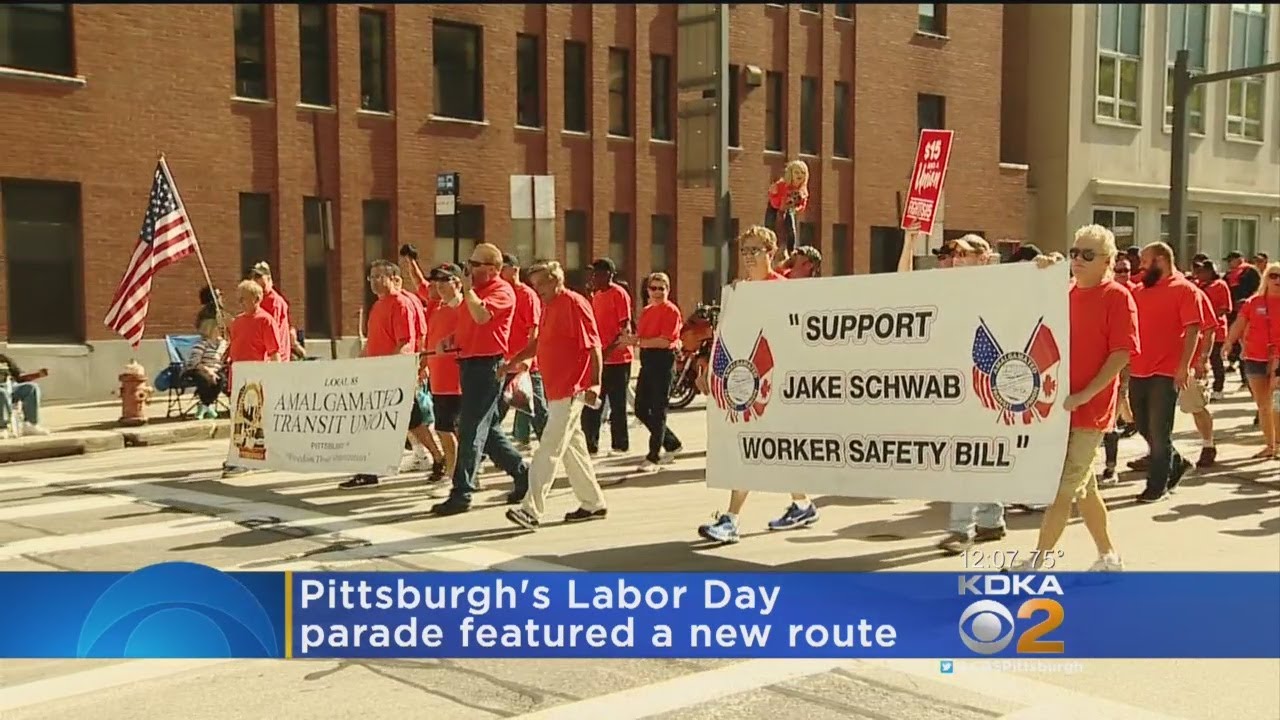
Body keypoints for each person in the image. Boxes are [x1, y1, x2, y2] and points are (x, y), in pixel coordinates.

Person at [1013, 224, 1135, 572]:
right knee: (1084, 486)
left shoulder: (1117, 296)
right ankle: (1109, 555)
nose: (1077, 260)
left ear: (1107, 261)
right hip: (1058, 407)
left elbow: (1121, 353)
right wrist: (1043, 271)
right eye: (1074, 252)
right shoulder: (1063, 291)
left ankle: (1037, 561)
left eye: (1087, 254)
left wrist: (1085, 394)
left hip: (1090, 410)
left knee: (1063, 487)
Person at [698, 226, 815, 544]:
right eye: (745, 251)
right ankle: (803, 504)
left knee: (755, 448)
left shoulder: (783, 290)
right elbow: (729, 335)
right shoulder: (740, 291)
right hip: (747, 383)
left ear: (772, 253)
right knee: (767, 450)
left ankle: (731, 520)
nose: (748, 257)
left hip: (775, 385)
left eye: (755, 251)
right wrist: (708, 369)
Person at [503, 260, 608, 530]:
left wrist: (595, 383)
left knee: (549, 447)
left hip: (571, 389)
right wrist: (513, 361)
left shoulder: (574, 303)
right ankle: (593, 503)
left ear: (555, 279)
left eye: (541, 284)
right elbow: (540, 342)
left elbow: (594, 344)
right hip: (556, 389)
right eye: (534, 285)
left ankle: (531, 510)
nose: (537, 290)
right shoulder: (549, 306)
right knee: (573, 449)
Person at [430, 243, 530, 516]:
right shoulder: (474, 293)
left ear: (494, 268)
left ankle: (462, 491)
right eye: (469, 264)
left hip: (487, 366)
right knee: (488, 429)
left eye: (475, 265)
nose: (469, 269)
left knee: (471, 429)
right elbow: (468, 326)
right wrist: (450, 340)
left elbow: (482, 316)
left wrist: (468, 290)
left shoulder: (501, 290)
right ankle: (522, 473)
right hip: (469, 363)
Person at [338, 261, 441, 489]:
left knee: (413, 422)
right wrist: (359, 362)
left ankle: (439, 458)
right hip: (376, 374)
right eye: (371, 277)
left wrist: (391, 368)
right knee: (381, 422)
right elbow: (373, 342)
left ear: (393, 277)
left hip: (393, 375)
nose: (373, 282)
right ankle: (371, 469)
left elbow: (406, 342)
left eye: (378, 277)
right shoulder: (378, 306)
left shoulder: (400, 304)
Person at [1129, 242, 1200, 502]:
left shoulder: (1184, 290)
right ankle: (1177, 461)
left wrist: (1185, 366)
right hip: (1139, 369)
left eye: (1145, 261)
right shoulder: (1138, 291)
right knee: (1142, 425)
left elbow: (1193, 329)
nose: (1141, 267)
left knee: (1160, 431)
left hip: (1166, 371)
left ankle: (1156, 486)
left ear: (1160, 260)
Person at [622, 272, 685, 473]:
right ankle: (671, 442)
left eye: (661, 288)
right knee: (640, 407)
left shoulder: (671, 311)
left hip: (663, 361)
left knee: (658, 409)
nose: (657, 292)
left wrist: (638, 342)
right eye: (654, 288)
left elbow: (665, 341)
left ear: (668, 290)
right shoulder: (647, 311)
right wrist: (630, 339)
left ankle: (653, 456)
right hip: (647, 362)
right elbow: (642, 335)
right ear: (648, 290)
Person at [222, 280, 283, 478]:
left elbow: (274, 352)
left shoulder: (266, 321)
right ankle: (238, 454)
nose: (240, 303)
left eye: (243, 299)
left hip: (257, 377)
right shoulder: (238, 321)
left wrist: (277, 377)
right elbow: (234, 344)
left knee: (252, 419)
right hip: (238, 375)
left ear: (256, 299)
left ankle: (247, 457)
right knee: (237, 418)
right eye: (238, 299)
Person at [1222, 261, 1280, 459]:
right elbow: (1239, 324)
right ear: (1266, 278)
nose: (1278, 280)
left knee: (1276, 401)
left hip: (1278, 359)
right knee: (1263, 404)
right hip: (1255, 357)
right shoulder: (1253, 303)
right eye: (1273, 276)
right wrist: (1229, 343)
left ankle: (1278, 443)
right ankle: (1270, 446)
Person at [392, 270, 446, 479]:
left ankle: (439, 458)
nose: (430, 288)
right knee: (409, 420)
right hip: (396, 370)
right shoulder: (430, 303)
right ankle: (424, 454)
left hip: (406, 369)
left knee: (416, 419)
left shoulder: (406, 303)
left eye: (436, 284)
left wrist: (421, 365)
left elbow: (419, 337)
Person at [581, 258, 633, 457]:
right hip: (599, 359)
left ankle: (620, 445)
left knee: (617, 404)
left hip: (618, 359)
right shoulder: (596, 296)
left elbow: (624, 329)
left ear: (609, 275)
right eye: (592, 274)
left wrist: (607, 352)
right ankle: (590, 445)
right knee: (592, 402)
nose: (593, 278)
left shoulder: (619, 294)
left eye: (597, 274)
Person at [498, 253, 549, 446]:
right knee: (494, 413)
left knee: (538, 411)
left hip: (524, 365)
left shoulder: (527, 295)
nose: (500, 273)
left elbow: (534, 329)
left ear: (515, 269)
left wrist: (527, 360)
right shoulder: (502, 294)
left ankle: (552, 449)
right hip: (504, 364)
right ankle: (483, 454)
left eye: (503, 268)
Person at [424, 263, 466, 489]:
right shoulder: (439, 310)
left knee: (450, 429)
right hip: (439, 380)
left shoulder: (465, 309)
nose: (438, 285)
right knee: (443, 428)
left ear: (458, 283)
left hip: (456, 380)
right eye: (436, 281)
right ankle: (456, 471)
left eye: (444, 280)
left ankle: (455, 474)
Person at [1194, 261, 1233, 400]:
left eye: (1202, 272)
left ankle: (1218, 387)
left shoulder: (1220, 285)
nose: (1199, 275)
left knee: (1216, 359)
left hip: (1217, 329)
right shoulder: (1198, 286)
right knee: (1201, 359)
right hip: (1201, 331)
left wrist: (1209, 316)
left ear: (1210, 271)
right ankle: (1203, 385)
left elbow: (1226, 307)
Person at [250, 262, 304, 361]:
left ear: (269, 278)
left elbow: (271, 332)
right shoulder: (258, 299)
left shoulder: (274, 302)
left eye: (259, 277)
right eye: (254, 277)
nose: (256, 280)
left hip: (276, 358)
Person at [1224, 251, 1262, 382]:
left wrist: (1248, 300)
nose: (1229, 263)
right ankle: (1244, 376)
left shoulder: (1250, 272)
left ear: (1239, 259)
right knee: (1239, 344)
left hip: (1251, 312)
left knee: (1247, 343)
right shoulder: (1228, 275)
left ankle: (1249, 377)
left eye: (1231, 260)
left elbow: (1259, 288)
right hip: (1234, 313)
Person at [183, 318, 227, 419]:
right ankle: (208, 406)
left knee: (221, 379)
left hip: (216, 370)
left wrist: (215, 371)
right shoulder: (202, 343)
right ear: (210, 330)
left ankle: (204, 406)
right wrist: (209, 371)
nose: (220, 331)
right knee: (205, 379)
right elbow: (194, 362)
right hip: (199, 369)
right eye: (217, 329)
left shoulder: (222, 344)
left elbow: (223, 359)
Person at [764, 160, 809, 255]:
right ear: (791, 174)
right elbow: (773, 200)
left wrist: (794, 208)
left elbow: (802, 206)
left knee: (791, 230)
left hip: (789, 208)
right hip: (774, 207)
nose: (799, 175)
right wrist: (780, 204)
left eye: (803, 173)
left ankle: (790, 250)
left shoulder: (802, 190)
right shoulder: (781, 185)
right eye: (797, 172)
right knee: (770, 227)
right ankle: (769, 247)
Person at [0, 353, 50, 436]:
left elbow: (19, 377)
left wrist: (37, 375)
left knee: (31, 387)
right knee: (1, 392)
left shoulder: (3, 359)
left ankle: (30, 425)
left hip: (11, 388)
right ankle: (2, 427)